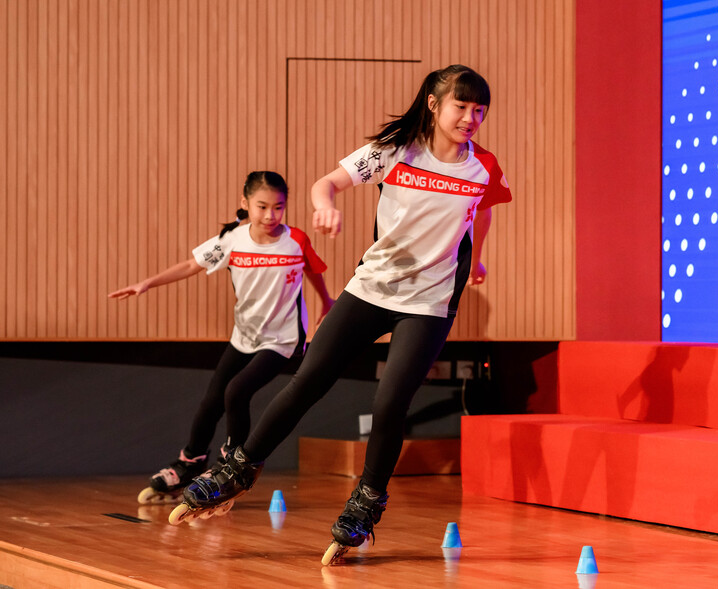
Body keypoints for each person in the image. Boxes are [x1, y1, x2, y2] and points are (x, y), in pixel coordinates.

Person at [175, 65, 512, 561]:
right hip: (371, 288)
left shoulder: (482, 167)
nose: (471, 117)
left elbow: (482, 208)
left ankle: (365, 506)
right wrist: (324, 205)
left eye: (479, 110)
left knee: (389, 404)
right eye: (461, 106)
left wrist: (476, 252)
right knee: (306, 382)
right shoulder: (396, 149)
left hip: (429, 301)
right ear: (436, 105)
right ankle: (237, 471)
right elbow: (325, 183)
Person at [109, 171, 334, 503]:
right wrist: (147, 283)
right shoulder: (233, 240)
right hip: (243, 337)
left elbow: (311, 269)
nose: (270, 216)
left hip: (282, 340)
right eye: (262, 207)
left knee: (237, 390)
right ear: (245, 204)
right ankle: (189, 463)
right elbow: (190, 265)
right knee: (211, 402)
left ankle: (233, 466)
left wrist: (326, 300)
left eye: (278, 207)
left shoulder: (296, 240)